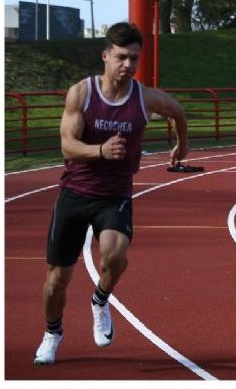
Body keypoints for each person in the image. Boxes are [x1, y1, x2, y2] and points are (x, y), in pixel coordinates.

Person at [34, 22, 189, 366]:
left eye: (134, 58)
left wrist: (182, 143)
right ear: (105, 56)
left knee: (115, 257)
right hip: (75, 193)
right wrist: (101, 151)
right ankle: (52, 332)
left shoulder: (144, 98)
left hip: (114, 195)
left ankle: (100, 300)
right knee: (55, 283)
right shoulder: (82, 93)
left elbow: (177, 110)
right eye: (121, 57)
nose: (128, 65)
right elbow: (67, 146)